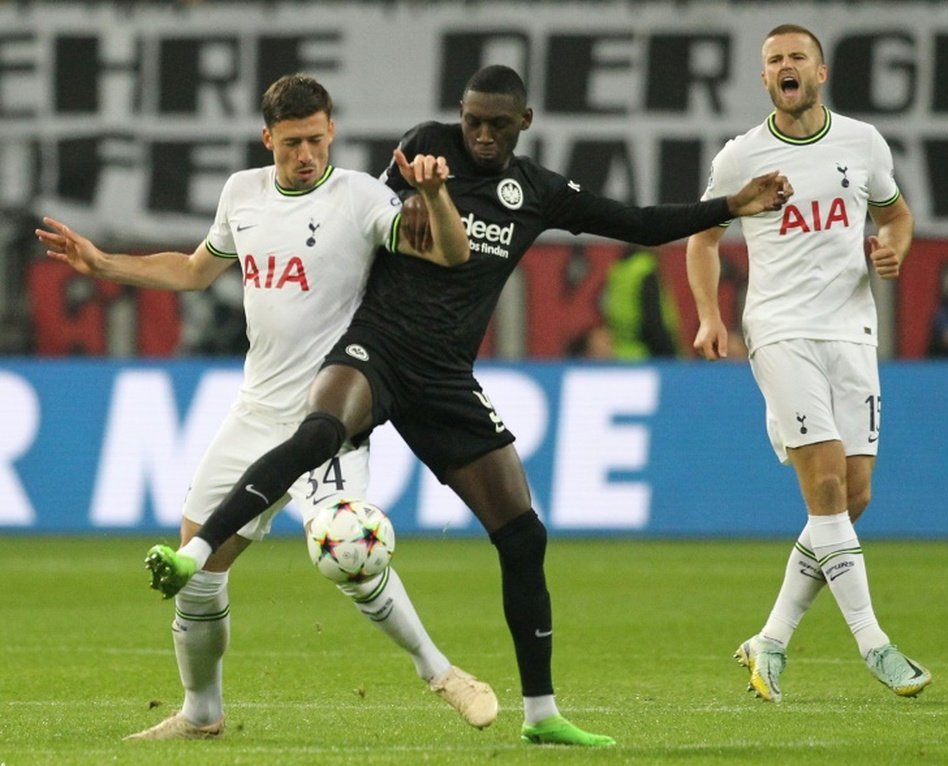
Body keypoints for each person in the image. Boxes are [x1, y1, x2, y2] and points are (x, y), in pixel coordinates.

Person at [142, 64, 792, 747]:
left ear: (524, 123)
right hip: (376, 348)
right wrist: (410, 193)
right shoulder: (427, 145)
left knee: (523, 534)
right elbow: (359, 217)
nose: (480, 135)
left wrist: (731, 204)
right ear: (458, 114)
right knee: (322, 428)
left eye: (496, 124)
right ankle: (201, 551)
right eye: (472, 121)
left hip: (446, 377)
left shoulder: (536, 192)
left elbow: (639, 223)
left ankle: (541, 714)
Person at [35, 73, 498, 740]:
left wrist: (435, 195)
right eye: (290, 144)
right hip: (255, 412)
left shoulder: (362, 198)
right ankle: (201, 714)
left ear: (331, 130)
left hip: (332, 414)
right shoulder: (242, 194)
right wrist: (106, 263)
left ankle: (443, 674)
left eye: (314, 139)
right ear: (266, 140)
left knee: (346, 546)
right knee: (196, 571)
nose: (304, 155)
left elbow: (452, 254)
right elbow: (196, 271)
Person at [685, 24, 932, 703]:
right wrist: (709, 315)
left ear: (819, 73)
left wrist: (893, 249)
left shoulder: (862, 142)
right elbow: (702, 240)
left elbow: (898, 215)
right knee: (823, 487)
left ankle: (771, 640)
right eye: (773, 61)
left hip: (852, 330)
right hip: (780, 328)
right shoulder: (741, 158)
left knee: (853, 498)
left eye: (797, 57)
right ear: (764, 80)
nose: (785, 67)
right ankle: (874, 644)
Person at [602, 245, 682, 358]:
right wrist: (671, 357)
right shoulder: (645, 270)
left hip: (621, 355)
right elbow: (653, 322)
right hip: (648, 357)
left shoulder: (618, 269)